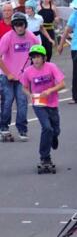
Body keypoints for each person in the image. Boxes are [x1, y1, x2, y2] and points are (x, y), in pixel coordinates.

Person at [20, 44, 65, 172]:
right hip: (39, 104)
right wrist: (30, 95)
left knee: (55, 130)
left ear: (44, 58)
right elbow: (23, 87)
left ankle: (53, 137)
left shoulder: (51, 67)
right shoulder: (28, 71)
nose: (36, 60)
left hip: (52, 102)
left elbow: (62, 84)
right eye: (33, 57)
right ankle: (45, 156)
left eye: (38, 57)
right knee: (46, 127)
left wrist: (51, 90)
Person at [0, 12, 40, 141]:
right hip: (7, 76)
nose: (19, 27)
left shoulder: (32, 38)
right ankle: (4, 128)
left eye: (21, 24)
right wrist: (8, 73)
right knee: (7, 102)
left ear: (25, 25)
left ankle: (22, 129)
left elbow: (38, 56)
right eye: (16, 25)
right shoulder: (7, 38)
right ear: (13, 26)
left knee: (22, 103)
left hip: (23, 78)